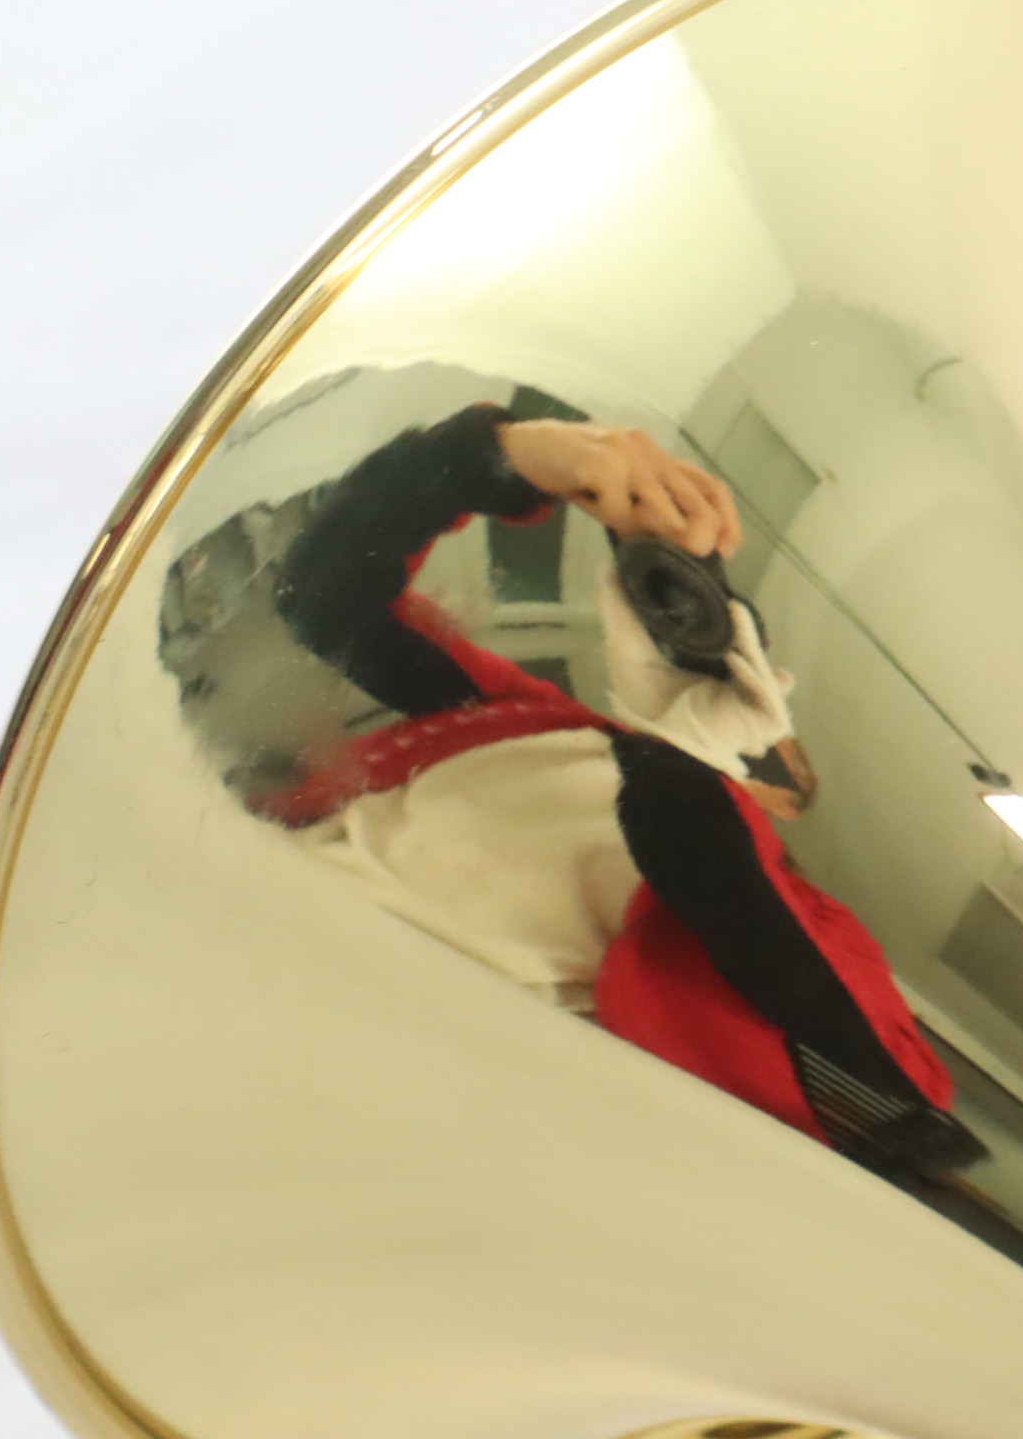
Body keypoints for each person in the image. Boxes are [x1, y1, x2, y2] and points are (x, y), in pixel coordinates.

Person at [207, 395, 982, 1176]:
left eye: (779, 770)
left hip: (299, 1052)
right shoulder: (547, 727)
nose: (765, 759)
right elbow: (324, 599)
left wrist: (688, 759)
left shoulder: (777, 912)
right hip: (211, 888)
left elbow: (891, 1106)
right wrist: (507, 458)